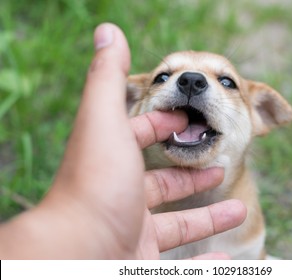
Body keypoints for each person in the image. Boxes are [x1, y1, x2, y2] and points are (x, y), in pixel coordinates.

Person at [0, 23, 246, 259]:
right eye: (162, 77)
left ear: (259, 114)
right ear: (130, 104)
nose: (192, 80)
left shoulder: (248, 234)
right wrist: (84, 222)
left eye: (226, 82)